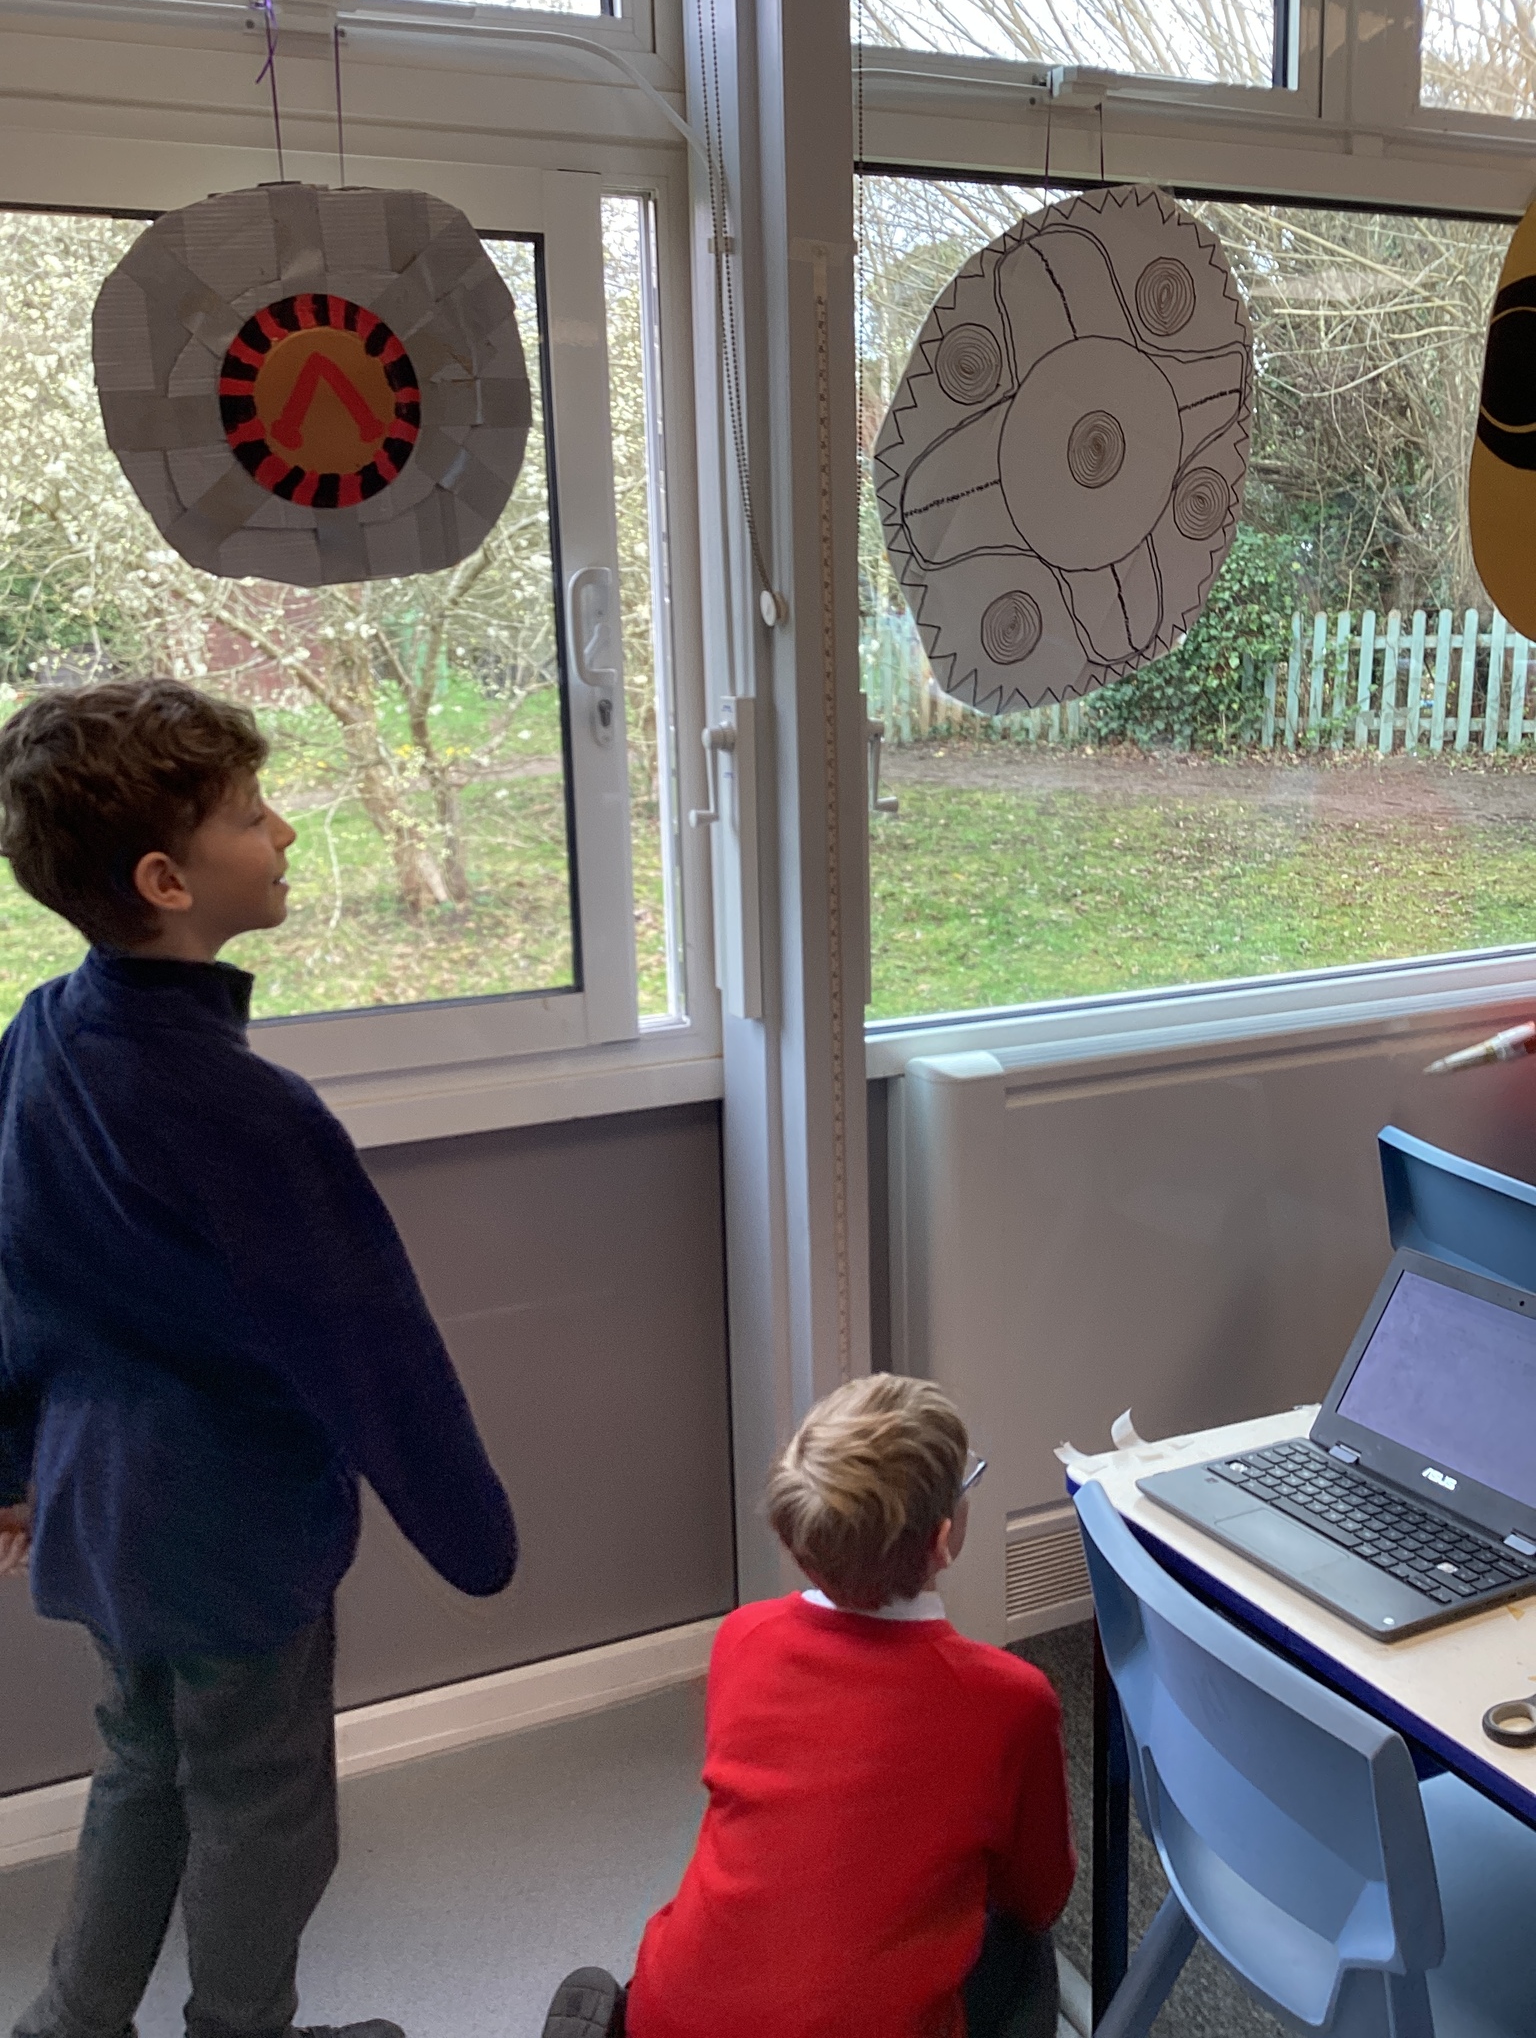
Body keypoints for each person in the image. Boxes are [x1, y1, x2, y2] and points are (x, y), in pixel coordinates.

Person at [0, 680, 517, 2038]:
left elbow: (7, 1268)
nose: (283, 831)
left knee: (141, 1766)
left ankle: (70, 2019)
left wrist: (6, 1465)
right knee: (261, 1802)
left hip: (97, 1511)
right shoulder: (248, 1111)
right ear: (165, 880)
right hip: (226, 1531)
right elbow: (375, 1346)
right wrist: (472, 1530)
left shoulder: (41, 1031)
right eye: (249, 813)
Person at [543, 1374, 1074, 2038]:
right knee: (1024, 1948)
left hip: (669, 2012)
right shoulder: (1010, 1700)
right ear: (942, 1540)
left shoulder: (744, 1637)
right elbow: (1039, 1893)